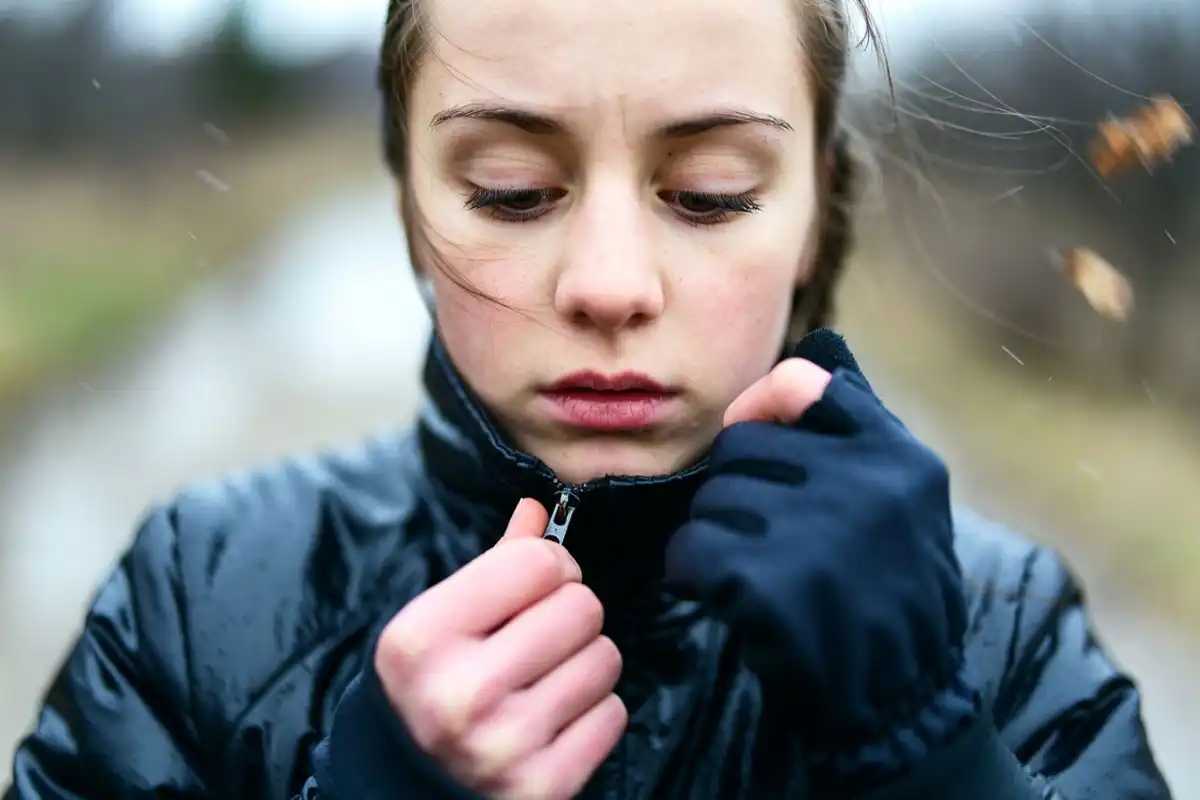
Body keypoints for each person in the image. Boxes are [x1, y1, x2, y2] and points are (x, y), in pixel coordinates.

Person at [5, 0, 1172, 797]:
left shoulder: (999, 632)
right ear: (412, 204)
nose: (610, 285)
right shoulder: (200, 599)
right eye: (513, 191)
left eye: (709, 193)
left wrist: (933, 753)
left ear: (815, 201)